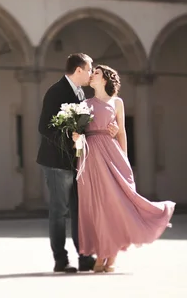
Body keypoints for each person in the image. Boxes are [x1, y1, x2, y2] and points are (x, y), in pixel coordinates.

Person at [72, 65, 175, 273]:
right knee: (97, 208)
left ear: (106, 79)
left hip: (112, 155)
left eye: (97, 73)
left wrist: (124, 160)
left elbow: (122, 133)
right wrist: (76, 139)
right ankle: (101, 254)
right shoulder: (84, 104)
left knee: (114, 205)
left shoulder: (117, 102)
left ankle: (110, 257)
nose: (92, 75)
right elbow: (78, 134)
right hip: (90, 157)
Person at [37, 53, 119, 273]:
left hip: (78, 162)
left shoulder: (82, 93)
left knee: (79, 210)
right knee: (59, 211)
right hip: (56, 162)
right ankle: (61, 260)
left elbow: (86, 128)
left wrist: (112, 130)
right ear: (79, 70)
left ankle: (84, 257)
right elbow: (44, 127)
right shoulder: (55, 91)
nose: (92, 72)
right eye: (90, 68)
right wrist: (68, 139)